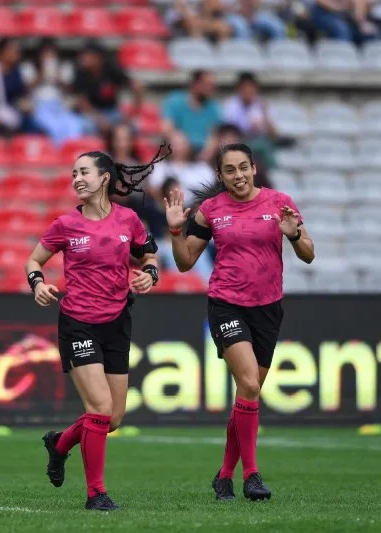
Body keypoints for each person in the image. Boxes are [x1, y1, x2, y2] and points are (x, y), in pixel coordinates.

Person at [163, 143, 314, 501]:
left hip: (268, 308)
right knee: (248, 382)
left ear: (253, 168)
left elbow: (308, 254)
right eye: (229, 170)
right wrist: (174, 232)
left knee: (248, 393)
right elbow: (185, 262)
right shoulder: (210, 211)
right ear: (220, 176)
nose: (238, 175)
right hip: (226, 304)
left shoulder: (279, 202)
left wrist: (293, 234)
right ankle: (252, 476)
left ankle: (224, 475)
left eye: (243, 167)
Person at [26, 143, 171, 511]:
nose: (77, 178)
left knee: (114, 417)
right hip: (78, 323)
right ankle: (96, 495)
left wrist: (149, 274)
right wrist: (38, 284)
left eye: (84, 172)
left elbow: (150, 255)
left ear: (104, 178)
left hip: (117, 321)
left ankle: (59, 444)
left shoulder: (128, 221)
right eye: (74, 173)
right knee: (100, 407)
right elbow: (34, 260)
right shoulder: (64, 224)